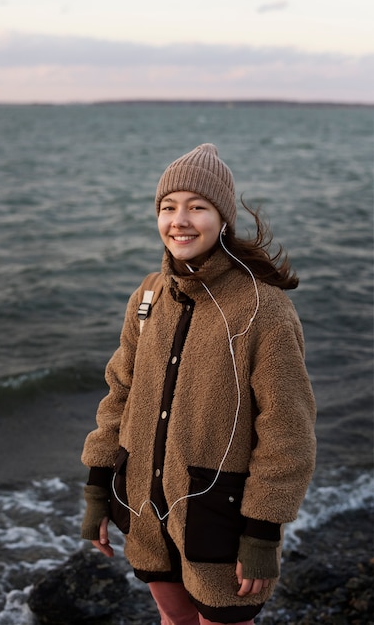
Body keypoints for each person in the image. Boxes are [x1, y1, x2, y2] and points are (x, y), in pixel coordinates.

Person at [81, 144, 317, 625]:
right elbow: (118, 396)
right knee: (173, 620)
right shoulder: (147, 295)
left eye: (197, 207)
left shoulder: (263, 308)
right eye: (168, 207)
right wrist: (96, 490)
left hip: (219, 517)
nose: (180, 220)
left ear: (222, 220)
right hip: (143, 506)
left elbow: (287, 431)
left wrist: (262, 532)